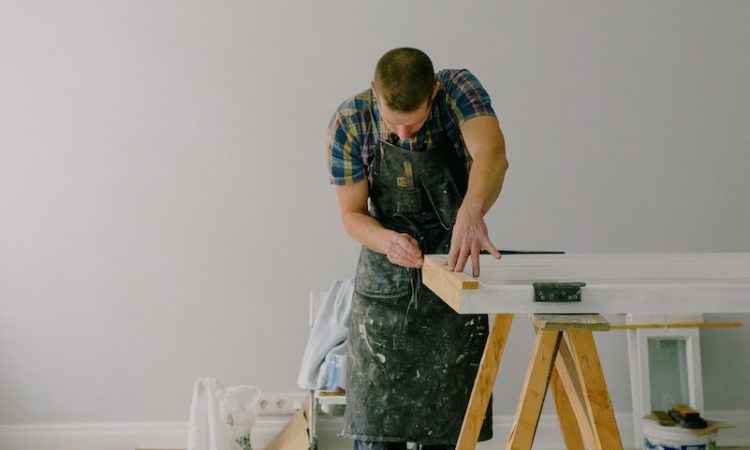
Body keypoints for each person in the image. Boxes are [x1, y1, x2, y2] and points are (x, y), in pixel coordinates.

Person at [326, 48, 508, 450]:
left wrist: (472, 211)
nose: (404, 135)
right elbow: (352, 214)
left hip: (452, 268)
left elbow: (492, 153)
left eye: (415, 122)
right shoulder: (350, 122)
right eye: (393, 122)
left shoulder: (458, 90)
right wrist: (388, 241)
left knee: (449, 429)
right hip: (384, 285)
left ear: (434, 92)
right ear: (374, 92)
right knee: (376, 435)